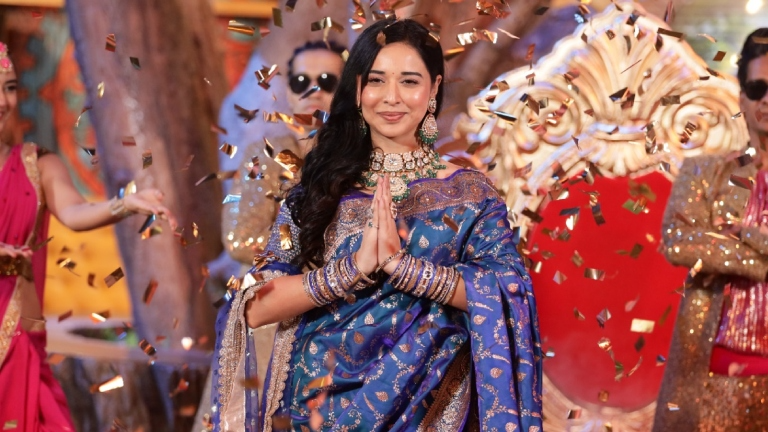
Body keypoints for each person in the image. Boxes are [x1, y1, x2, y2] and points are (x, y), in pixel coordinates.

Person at [211, 19, 542, 431]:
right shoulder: (318, 188)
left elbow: (510, 293)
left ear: (434, 88)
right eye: (376, 80)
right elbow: (255, 306)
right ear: (357, 89)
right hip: (316, 407)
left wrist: (406, 270)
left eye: (409, 81)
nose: (391, 97)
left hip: (429, 410)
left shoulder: (471, 194)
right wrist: (349, 270)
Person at [0, 42, 177, 430]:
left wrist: (124, 204)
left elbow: (75, 213)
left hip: (19, 340)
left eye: (9, 88)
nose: (3, 101)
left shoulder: (37, 163)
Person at [653, 28, 768, 431]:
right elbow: (678, 241)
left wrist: (746, 235)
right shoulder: (705, 170)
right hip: (713, 374)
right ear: (741, 96)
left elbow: (704, 240)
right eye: (757, 88)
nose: (767, 100)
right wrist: (761, 263)